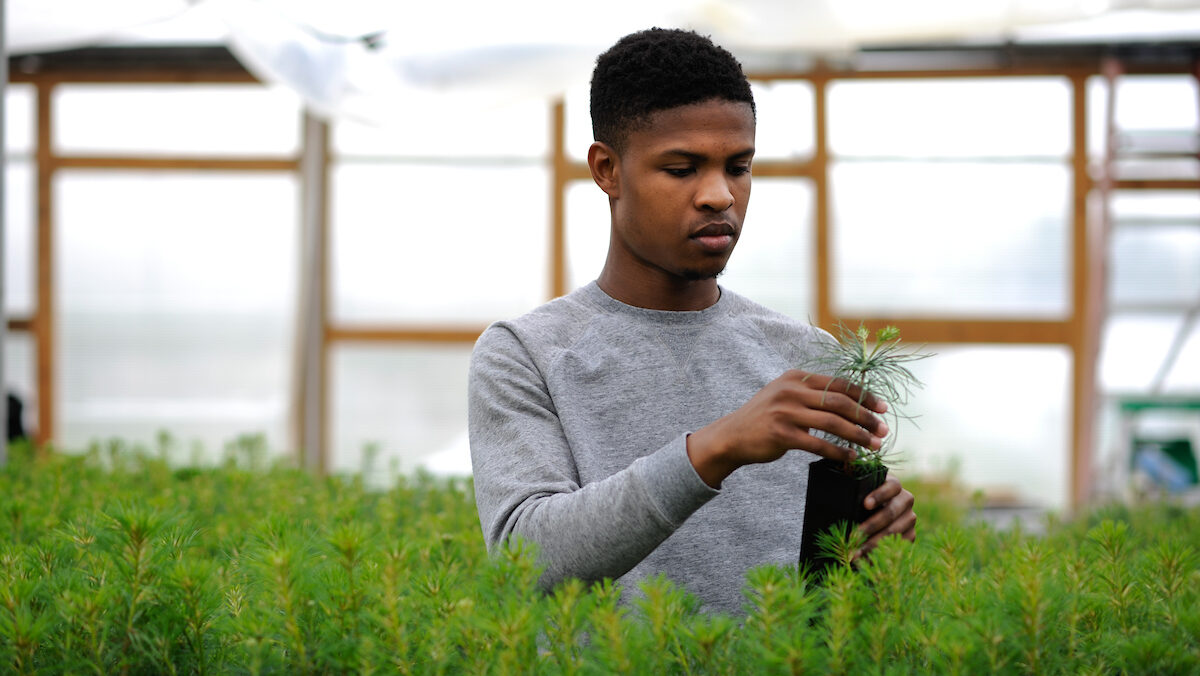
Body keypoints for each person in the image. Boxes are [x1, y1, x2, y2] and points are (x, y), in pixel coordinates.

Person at [468, 27, 916, 616]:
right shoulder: (527, 354)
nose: (719, 195)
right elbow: (527, 556)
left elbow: (833, 596)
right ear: (607, 170)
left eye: (738, 166)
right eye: (682, 169)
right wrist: (715, 448)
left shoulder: (807, 356)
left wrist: (877, 542)